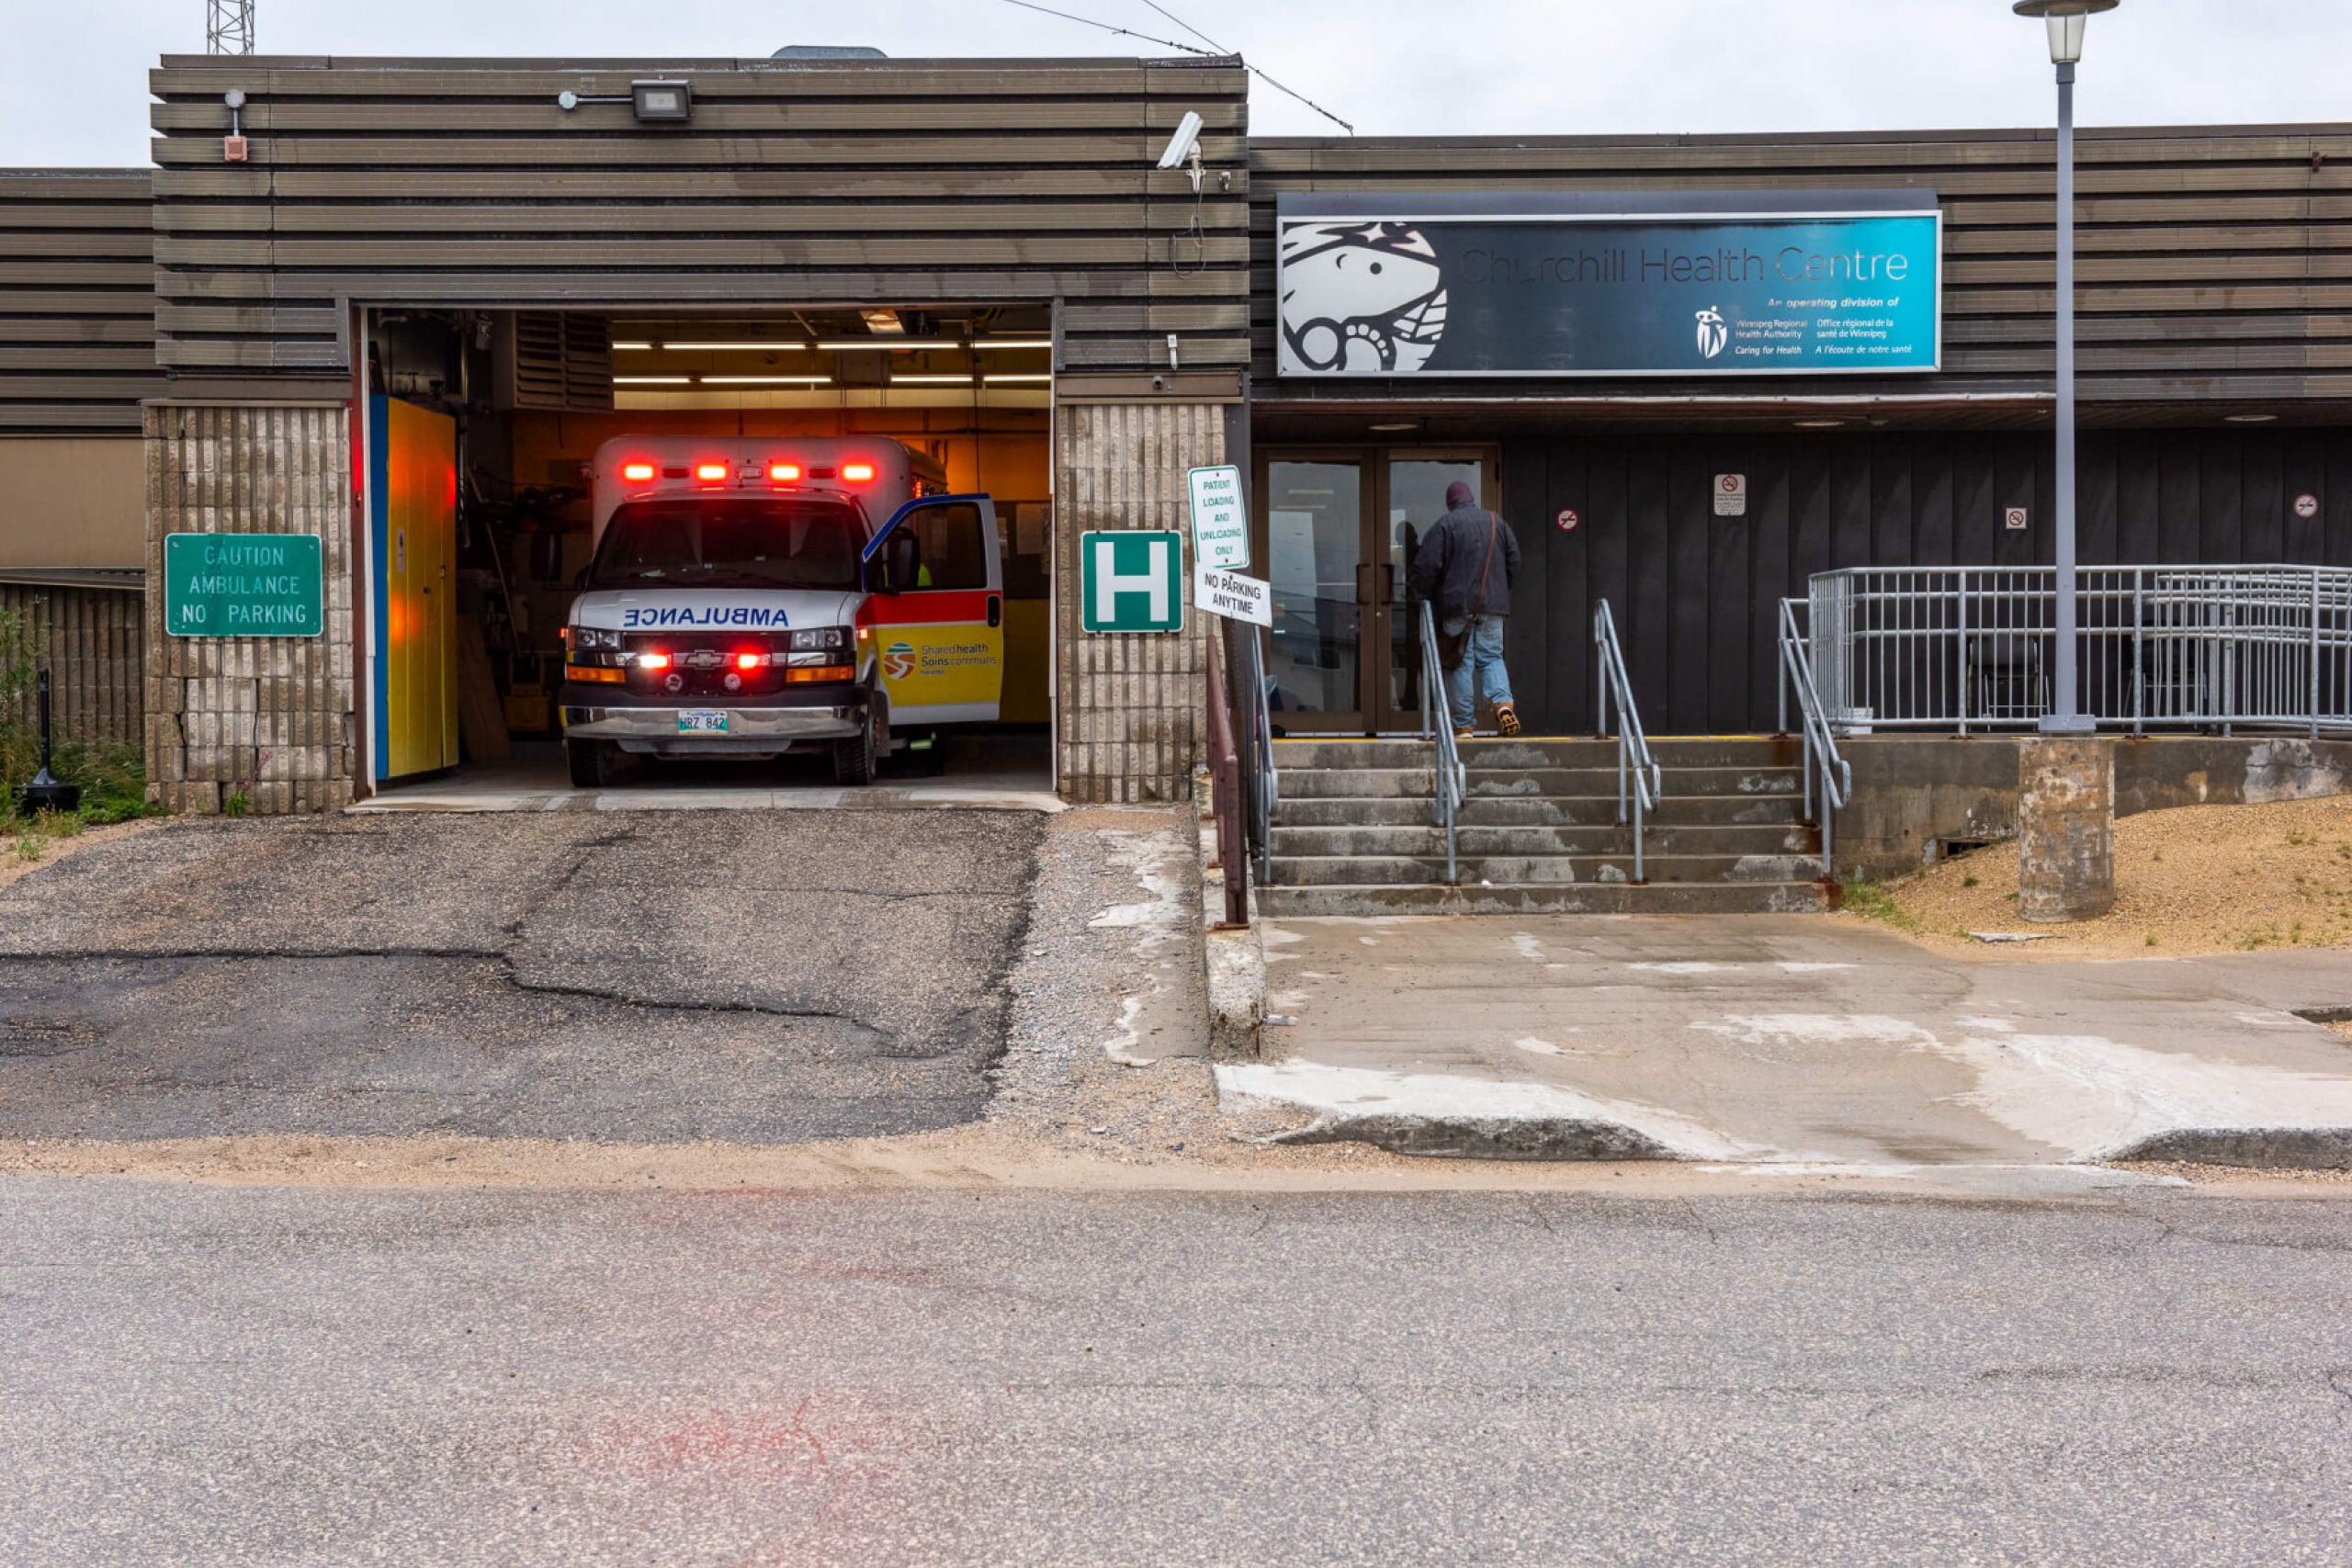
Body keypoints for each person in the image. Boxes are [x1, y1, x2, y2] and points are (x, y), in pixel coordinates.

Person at [1410, 479, 1522, 739]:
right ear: (1471, 499)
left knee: (1459, 662)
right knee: (1491, 657)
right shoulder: (1497, 522)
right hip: (1493, 607)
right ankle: (1503, 704)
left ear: (1450, 503)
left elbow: (1427, 568)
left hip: (1457, 607)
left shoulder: (1445, 526)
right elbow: (1515, 562)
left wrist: (1418, 598)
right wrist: (1500, 591)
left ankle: (1464, 725)